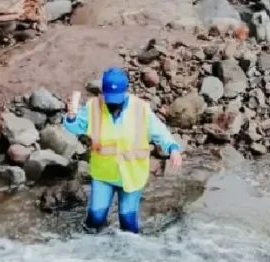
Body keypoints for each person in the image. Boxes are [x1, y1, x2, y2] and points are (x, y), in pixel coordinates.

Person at [62, 67, 183, 234]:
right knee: (95, 218)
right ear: (102, 93)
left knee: (127, 222)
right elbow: (75, 127)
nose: (113, 103)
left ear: (125, 92)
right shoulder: (93, 107)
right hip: (104, 174)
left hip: (132, 175)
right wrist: (70, 117)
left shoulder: (141, 108)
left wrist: (173, 148)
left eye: (117, 99)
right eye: (109, 99)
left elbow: (159, 131)